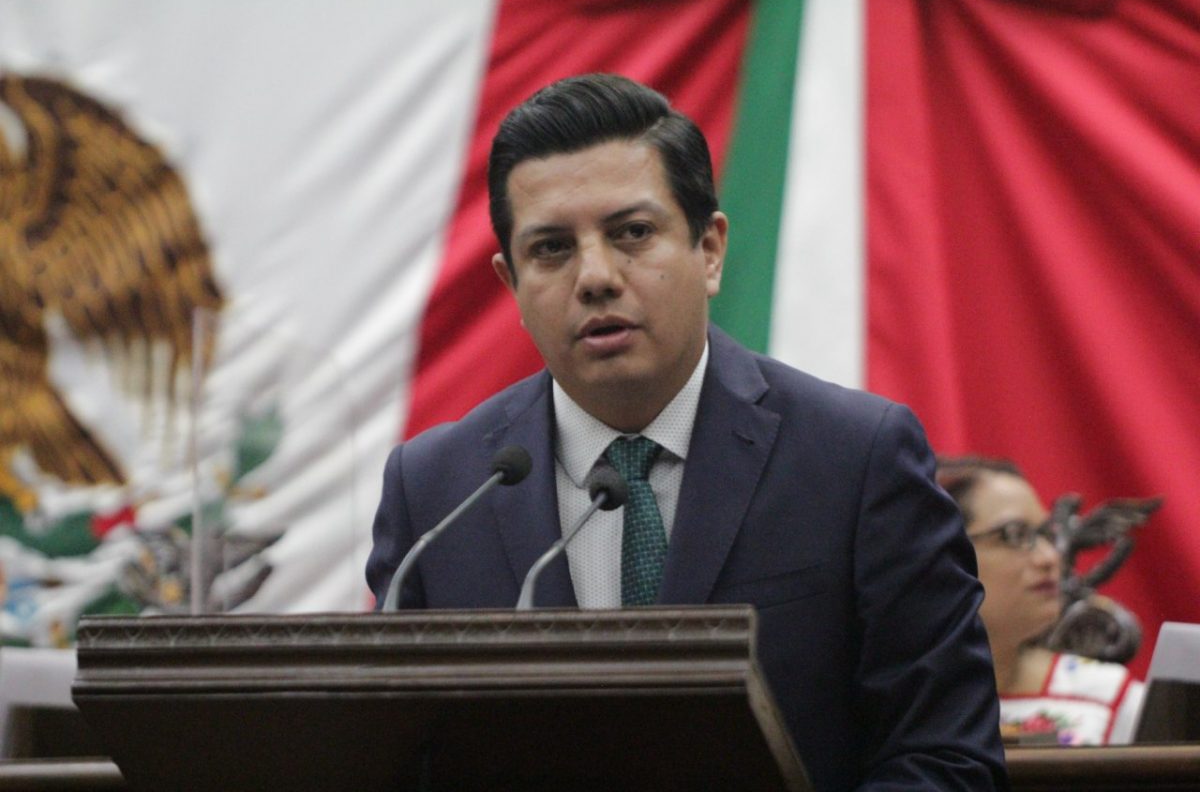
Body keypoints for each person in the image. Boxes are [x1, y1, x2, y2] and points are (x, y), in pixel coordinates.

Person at [367, 74, 1007, 790]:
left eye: (632, 234)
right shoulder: (439, 492)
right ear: (511, 284)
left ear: (709, 249)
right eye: (551, 248)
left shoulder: (855, 459)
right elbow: (395, 761)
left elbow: (947, 759)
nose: (596, 277)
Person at [936, 456, 1144, 745]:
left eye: (1046, 535)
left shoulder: (1109, 699)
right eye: (1014, 535)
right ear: (939, 552)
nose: (1050, 558)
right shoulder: (886, 698)